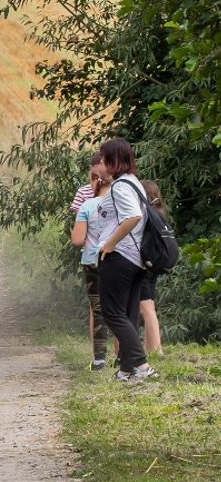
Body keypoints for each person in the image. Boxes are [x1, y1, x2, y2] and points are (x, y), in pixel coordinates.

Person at [95, 137, 157, 381]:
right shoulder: (133, 183)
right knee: (127, 313)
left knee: (112, 313)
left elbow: (132, 217)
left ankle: (141, 366)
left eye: (103, 157)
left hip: (120, 256)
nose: (100, 162)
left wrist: (109, 244)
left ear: (113, 159)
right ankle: (126, 369)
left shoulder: (121, 186)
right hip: (136, 259)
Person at [71, 153, 110, 370]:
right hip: (118, 259)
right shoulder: (122, 201)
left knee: (97, 308)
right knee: (119, 307)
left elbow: (77, 239)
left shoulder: (87, 205)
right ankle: (124, 354)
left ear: (95, 179)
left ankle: (99, 359)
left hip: (92, 260)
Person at [139, 179, 166, 357]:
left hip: (144, 263)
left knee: (145, 306)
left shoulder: (145, 214)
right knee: (149, 304)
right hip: (155, 263)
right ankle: (150, 348)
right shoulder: (160, 214)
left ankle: (157, 350)